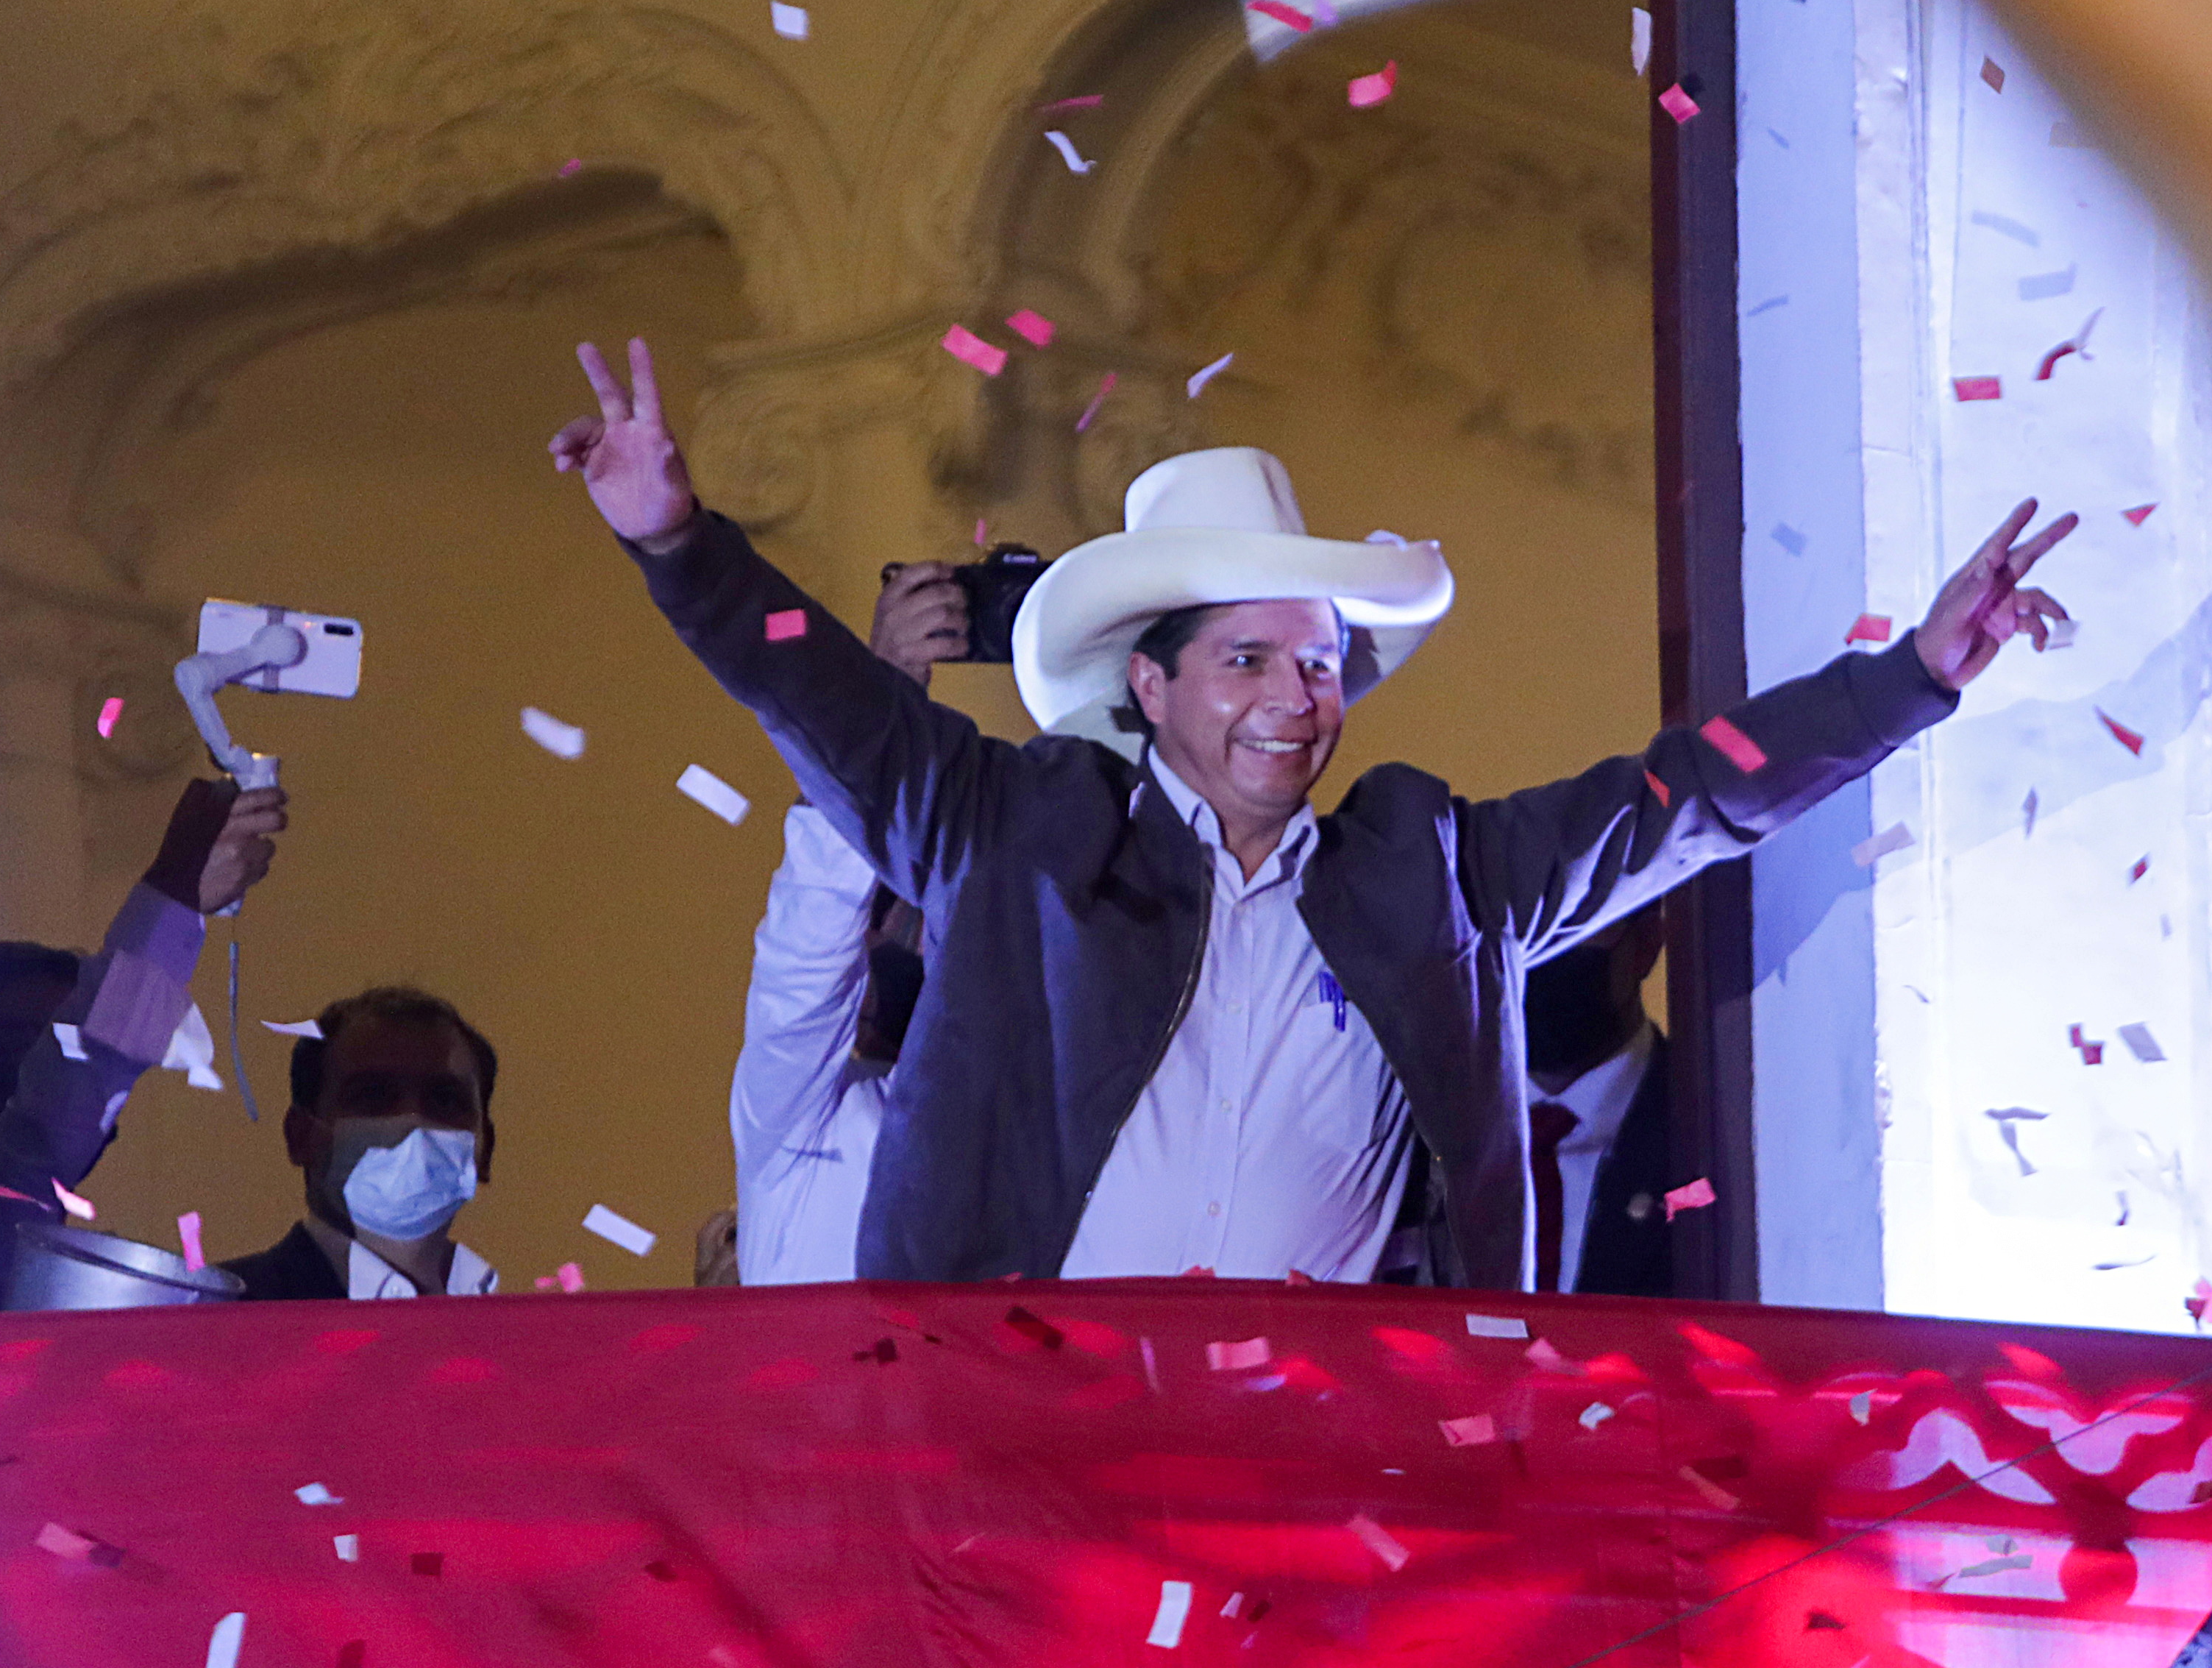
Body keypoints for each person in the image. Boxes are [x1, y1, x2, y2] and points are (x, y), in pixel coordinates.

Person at [550, 338, 2070, 1288]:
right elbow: (823, 704)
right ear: (1148, 684)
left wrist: (1913, 675)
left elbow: (1682, 801)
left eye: (1322, 661)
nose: (1297, 695)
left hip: (1315, 1480)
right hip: (1009, 1453)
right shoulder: (1017, 830)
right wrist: (675, 539)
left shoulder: (1431, 873)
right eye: (1248, 660)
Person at [0, 778, 287, 1312]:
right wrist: (174, 890)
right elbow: (46, 1120)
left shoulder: (44, 1257)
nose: (34, 1075)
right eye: (11, 1045)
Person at [729, 558, 965, 1284]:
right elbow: (809, 934)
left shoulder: (1043, 1124)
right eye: (889, 906)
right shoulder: (796, 1118)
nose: (913, 934)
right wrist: (883, 693)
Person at [217, 986, 502, 1300]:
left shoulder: (516, 1322)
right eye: (373, 1096)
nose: (412, 1123)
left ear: (485, 1147)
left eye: (445, 1100)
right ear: (300, 1136)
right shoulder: (212, 1313)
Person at [1518, 906, 1674, 1296]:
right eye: (1520, 927)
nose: (1542, 952)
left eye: (1573, 922)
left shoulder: (1715, 1136)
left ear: (1647, 940)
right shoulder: (1414, 1135)